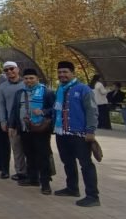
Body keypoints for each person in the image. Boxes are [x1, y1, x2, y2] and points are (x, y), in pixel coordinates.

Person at [53, 61, 100, 207]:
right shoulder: (59, 89)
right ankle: (72, 188)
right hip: (62, 133)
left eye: (65, 72)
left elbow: (92, 110)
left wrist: (90, 130)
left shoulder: (83, 89)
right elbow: (56, 109)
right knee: (68, 162)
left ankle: (93, 196)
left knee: (86, 164)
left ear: (73, 73)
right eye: (60, 72)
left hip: (79, 133)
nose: (62, 75)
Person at [8, 68, 55, 195]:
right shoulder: (20, 93)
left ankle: (45, 183)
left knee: (42, 156)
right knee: (29, 154)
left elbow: (54, 108)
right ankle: (33, 178)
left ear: (37, 79)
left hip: (40, 129)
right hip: (24, 128)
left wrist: (44, 112)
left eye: (31, 78)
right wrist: (12, 126)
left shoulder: (46, 92)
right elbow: (14, 110)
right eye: (26, 78)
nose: (28, 81)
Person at [0, 61, 27, 180]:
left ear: (17, 69)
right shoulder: (3, 87)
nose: (10, 72)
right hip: (13, 123)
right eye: (6, 70)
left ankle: (33, 172)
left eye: (12, 69)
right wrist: (3, 121)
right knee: (17, 148)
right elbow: (1, 105)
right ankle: (21, 172)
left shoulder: (27, 83)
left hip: (28, 122)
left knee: (30, 149)